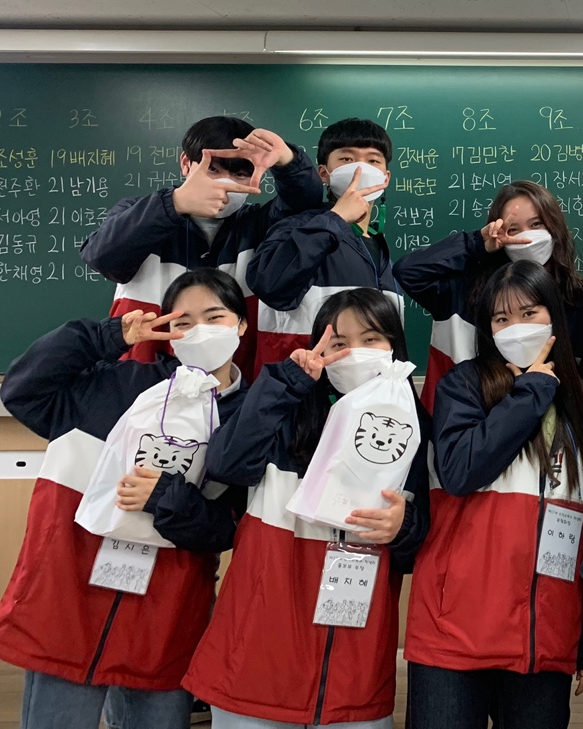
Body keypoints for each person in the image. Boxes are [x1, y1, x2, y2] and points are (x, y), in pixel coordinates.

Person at [0, 269, 251, 729]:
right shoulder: (119, 385)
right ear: (166, 332)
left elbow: (228, 528)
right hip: (72, 601)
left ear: (241, 325)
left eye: (214, 317)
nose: (199, 331)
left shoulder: (249, 416)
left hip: (165, 613)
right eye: (183, 322)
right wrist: (109, 336)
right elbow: (24, 390)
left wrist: (165, 497)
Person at [184, 288, 429, 728]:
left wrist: (404, 526)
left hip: (353, 675)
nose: (354, 353)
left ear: (394, 347)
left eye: (370, 339)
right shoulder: (286, 410)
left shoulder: (412, 430)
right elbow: (225, 464)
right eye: (339, 343)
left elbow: (417, 548)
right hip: (255, 663)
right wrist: (287, 383)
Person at [404, 261, 583, 726]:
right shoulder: (462, 386)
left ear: (554, 316)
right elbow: (461, 471)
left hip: (544, 635)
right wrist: (531, 390)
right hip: (454, 633)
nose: (516, 327)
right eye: (501, 318)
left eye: (529, 313)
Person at [81, 115, 323, 377]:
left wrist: (287, 160)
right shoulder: (142, 214)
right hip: (146, 380)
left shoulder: (258, 224)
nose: (225, 183)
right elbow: (102, 257)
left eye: (240, 174)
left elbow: (304, 202)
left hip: (236, 381)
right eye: (213, 170)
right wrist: (174, 203)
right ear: (186, 163)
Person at [397, 180, 583, 408]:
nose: (526, 238)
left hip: (557, 424)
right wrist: (477, 243)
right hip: (477, 418)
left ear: (555, 228)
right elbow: (408, 272)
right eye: (513, 229)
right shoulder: (465, 291)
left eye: (536, 224)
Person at [248, 118, 404, 369]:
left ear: (385, 178)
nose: (360, 168)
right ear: (324, 173)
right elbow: (269, 284)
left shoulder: (378, 246)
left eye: (373, 160)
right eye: (347, 159)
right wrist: (337, 218)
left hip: (369, 389)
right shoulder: (296, 226)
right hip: (304, 382)